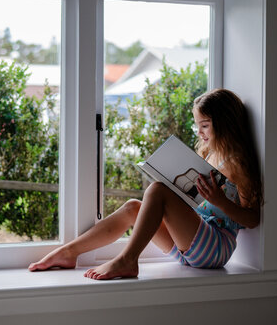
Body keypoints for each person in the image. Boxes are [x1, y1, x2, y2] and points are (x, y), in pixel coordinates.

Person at [29, 88, 263, 280]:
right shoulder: (209, 156)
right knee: (133, 207)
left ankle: (128, 259)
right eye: (197, 126)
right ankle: (68, 252)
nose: (200, 132)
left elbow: (252, 219)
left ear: (224, 124)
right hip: (193, 242)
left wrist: (220, 201)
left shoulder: (237, 163)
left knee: (158, 190)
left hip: (215, 247)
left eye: (205, 125)